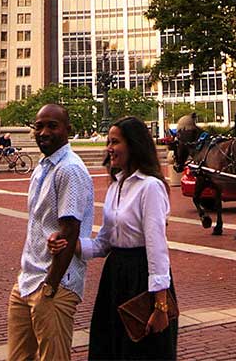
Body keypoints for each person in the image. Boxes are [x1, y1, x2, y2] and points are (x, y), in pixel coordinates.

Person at [50, 116, 176, 359]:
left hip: (142, 276)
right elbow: (104, 243)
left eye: (115, 142)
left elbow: (156, 246)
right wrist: (70, 245)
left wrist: (160, 304)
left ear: (133, 145)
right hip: (115, 275)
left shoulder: (150, 186)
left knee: (142, 350)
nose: (109, 148)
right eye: (108, 141)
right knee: (110, 346)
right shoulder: (115, 186)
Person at [8, 104, 92, 361]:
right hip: (28, 280)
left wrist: (50, 287)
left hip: (54, 283)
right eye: (39, 125)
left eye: (52, 126)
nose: (43, 132)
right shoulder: (44, 166)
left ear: (68, 130)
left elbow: (70, 231)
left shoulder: (69, 169)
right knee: (19, 357)